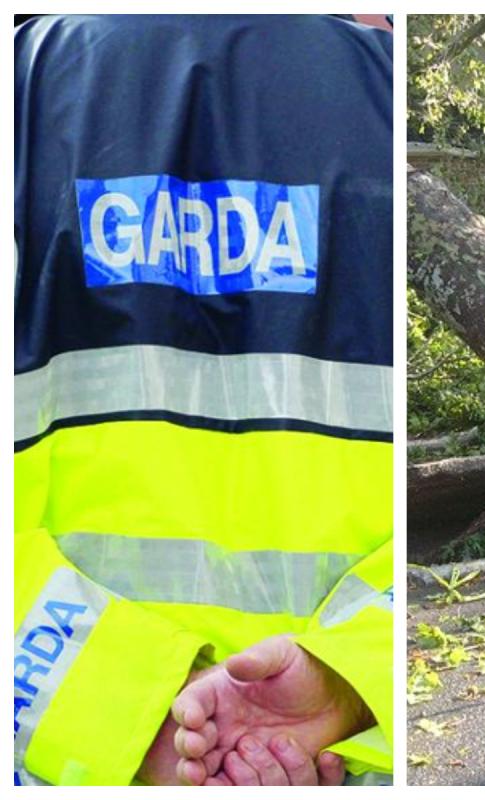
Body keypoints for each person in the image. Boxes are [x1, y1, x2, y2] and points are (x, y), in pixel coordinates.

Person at [14, 14, 392, 785]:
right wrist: (348, 678)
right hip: (330, 757)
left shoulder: (26, 78)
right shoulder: (385, 93)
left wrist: (131, 714)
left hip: (60, 756)